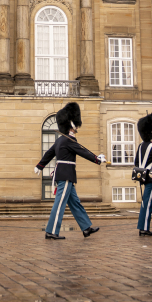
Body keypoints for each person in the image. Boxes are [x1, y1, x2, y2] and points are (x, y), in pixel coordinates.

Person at [35, 102, 106, 239]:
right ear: (71, 125)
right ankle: (51, 231)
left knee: (75, 203)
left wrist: (40, 166)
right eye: (76, 125)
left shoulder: (61, 140)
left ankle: (86, 228)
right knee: (60, 203)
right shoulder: (69, 140)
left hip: (65, 174)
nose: (77, 127)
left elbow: (49, 153)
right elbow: (83, 152)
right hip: (66, 174)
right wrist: (97, 159)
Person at [134, 112, 152, 236]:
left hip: (143, 176)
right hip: (151, 177)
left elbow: (136, 162)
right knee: (147, 203)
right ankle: (143, 228)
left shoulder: (141, 146)